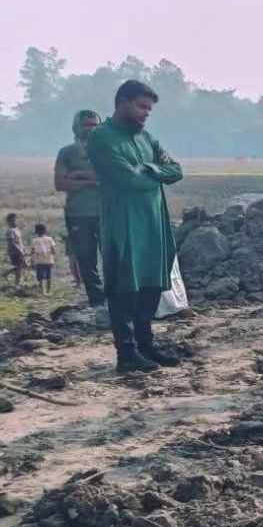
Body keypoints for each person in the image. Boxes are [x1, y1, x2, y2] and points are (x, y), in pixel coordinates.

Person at [86, 80, 184, 374]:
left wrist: (150, 169)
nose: (146, 114)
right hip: (123, 224)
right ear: (122, 103)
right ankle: (126, 354)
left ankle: (146, 344)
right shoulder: (101, 138)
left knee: (151, 284)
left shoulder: (148, 139)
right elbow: (128, 179)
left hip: (154, 223)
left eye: (149, 109)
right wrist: (154, 173)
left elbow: (176, 171)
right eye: (141, 107)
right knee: (125, 287)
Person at [55, 109, 107, 314]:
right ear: (77, 127)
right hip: (77, 213)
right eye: (87, 125)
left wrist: (78, 176)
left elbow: (108, 179)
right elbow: (60, 183)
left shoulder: (107, 151)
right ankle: (97, 302)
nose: (91, 129)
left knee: (112, 258)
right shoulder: (66, 152)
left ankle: (115, 300)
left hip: (105, 212)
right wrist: (93, 180)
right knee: (86, 261)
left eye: (94, 125)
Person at [30, 224, 57, 296]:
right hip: (49, 260)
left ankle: (42, 291)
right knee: (49, 276)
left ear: (36, 232)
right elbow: (53, 250)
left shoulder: (34, 240)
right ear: (45, 231)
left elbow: (32, 251)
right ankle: (48, 291)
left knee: (40, 277)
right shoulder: (50, 239)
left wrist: (31, 260)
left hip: (39, 261)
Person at [2, 215, 26, 288]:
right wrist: (20, 251)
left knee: (20, 267)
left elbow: (19, 241)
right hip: (14, 252)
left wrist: (23, 248)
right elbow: (12, 242)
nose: (15, 221)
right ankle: (17, 284)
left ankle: (7, 274)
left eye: (15, 220)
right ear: (9, 221)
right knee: (19, 268)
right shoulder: (10, 231)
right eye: (13, 220)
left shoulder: (17, 229)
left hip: (19, 251)